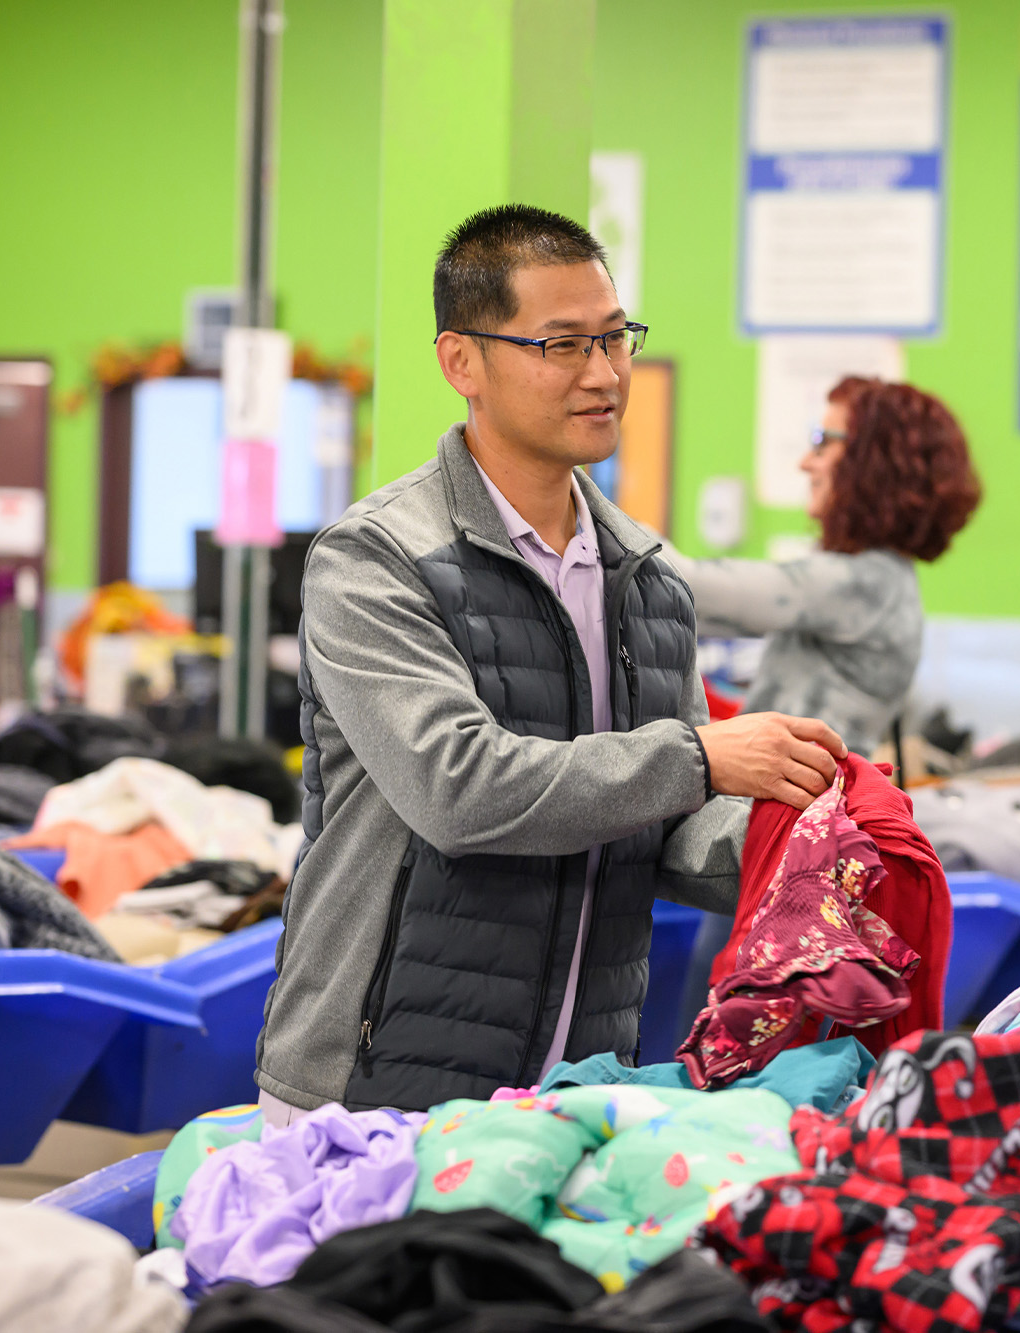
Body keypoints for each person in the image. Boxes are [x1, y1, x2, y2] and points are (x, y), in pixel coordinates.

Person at [255, 205, 847, 1119]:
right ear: (464, 362)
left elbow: (659, 827)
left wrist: (804, 842)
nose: (605, 373)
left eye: (617, 340)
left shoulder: (649, 579)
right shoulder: (374, 560)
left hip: (575, 1089)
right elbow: (459, 789)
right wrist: (700, 757)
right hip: (375, 1084)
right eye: (564, 345)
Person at [668, 376, 980, 757]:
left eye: (822, 442)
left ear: (874, 462)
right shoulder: (884, 579)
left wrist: (588, 506)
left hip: (795, 809)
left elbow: (689, 589)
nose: (804, 462)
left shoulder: (868, 584)